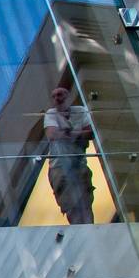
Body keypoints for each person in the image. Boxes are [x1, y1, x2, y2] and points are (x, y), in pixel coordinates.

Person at [43, 86, 95, 224]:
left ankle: (89, 229)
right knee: (70, 204)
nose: (57, 99)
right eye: (53, 96)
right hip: (59, 167)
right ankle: (78, 230)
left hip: (79, 164)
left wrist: (68, 133)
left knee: (85, 201)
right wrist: (78, 134)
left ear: (68, 96)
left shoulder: (80, 111)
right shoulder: (51, 114)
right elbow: (52, 134)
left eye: (60, 94)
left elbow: (90, 133)